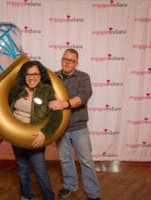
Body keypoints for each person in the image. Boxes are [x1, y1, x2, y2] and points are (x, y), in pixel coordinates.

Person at [48, 48, 100, 200]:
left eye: (71, 60)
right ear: (61, 59)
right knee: (65, 159)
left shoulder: (83, 77)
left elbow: (83, 97)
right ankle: (70, 185)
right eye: (65, 59)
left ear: (76, 63)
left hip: (79, 127)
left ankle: (93, 193)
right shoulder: (54, 77)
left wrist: (65, 104)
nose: (67, 62)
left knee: (86, 161)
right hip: (60, 127)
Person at [8, 60, 63, 200]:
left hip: (35, 136)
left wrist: (45, 132)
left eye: (35, 74)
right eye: (28, 75)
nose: (31, 77)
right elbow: (8, 109)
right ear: (23, 76)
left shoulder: (47, 90)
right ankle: (26, 196)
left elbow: (56, 115)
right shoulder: (17, 89)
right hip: (16, 136)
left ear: (41, 75)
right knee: (22, 168)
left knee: (40, 170)